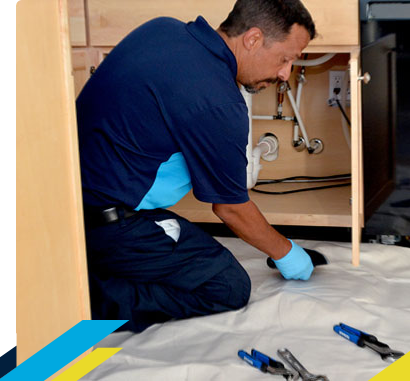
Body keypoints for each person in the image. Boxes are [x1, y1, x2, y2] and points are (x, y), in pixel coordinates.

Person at [75, 0, 317, 333]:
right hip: (106, 223)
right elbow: (230, 209)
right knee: (228, 286)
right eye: (286, 58)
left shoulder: (162, 28)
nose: (284, 74)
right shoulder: (217, 101)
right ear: (253, 39)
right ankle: (85, 301)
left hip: (69, 200)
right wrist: (287, 254)